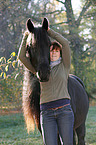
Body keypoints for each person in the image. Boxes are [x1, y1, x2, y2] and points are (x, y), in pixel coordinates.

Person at [18, 26, 74, 145]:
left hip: (64, 111)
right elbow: (21, 57)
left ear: (60, 53)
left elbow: (65, 43)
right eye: (51, 50)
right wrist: (26, 36)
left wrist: (49, 31)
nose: (54, 52)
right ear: (47, 51)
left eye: (57, 50)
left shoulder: (65, 66)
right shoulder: (38, 71)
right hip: (47, 113)